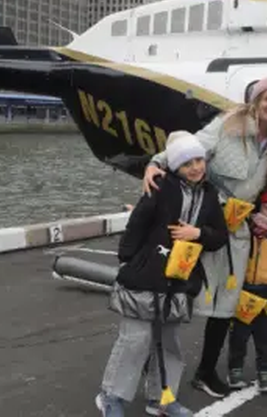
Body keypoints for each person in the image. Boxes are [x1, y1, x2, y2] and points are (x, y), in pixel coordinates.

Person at [141, 77, 267, 399]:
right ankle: (149, 361)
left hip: (236, 229)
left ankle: (206, 371)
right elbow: (191, 147)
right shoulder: (228, 124)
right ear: (255, 101)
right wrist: (155, 163)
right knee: (176, 291)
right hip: (202, 214)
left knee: (226, 303)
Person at [96, 133, 229, 417]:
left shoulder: (210, 194)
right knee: (136, 339)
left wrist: (198, 233)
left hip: (179, 279)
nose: (195, 167)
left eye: (198, 160)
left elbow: (220, 236)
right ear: (175, 167)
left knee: (169, 342)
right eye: (187, 164)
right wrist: (127, 262)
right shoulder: (159, 186)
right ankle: (111, 396)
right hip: (145, 276)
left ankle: (161, 399)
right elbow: (136, 225)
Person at [227, 184, 267, 394]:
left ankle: (265, 371)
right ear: (259, 207)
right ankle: (235, 368)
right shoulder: (246, 227)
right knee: (239, 333)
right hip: (244, 289)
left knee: (266, 335)